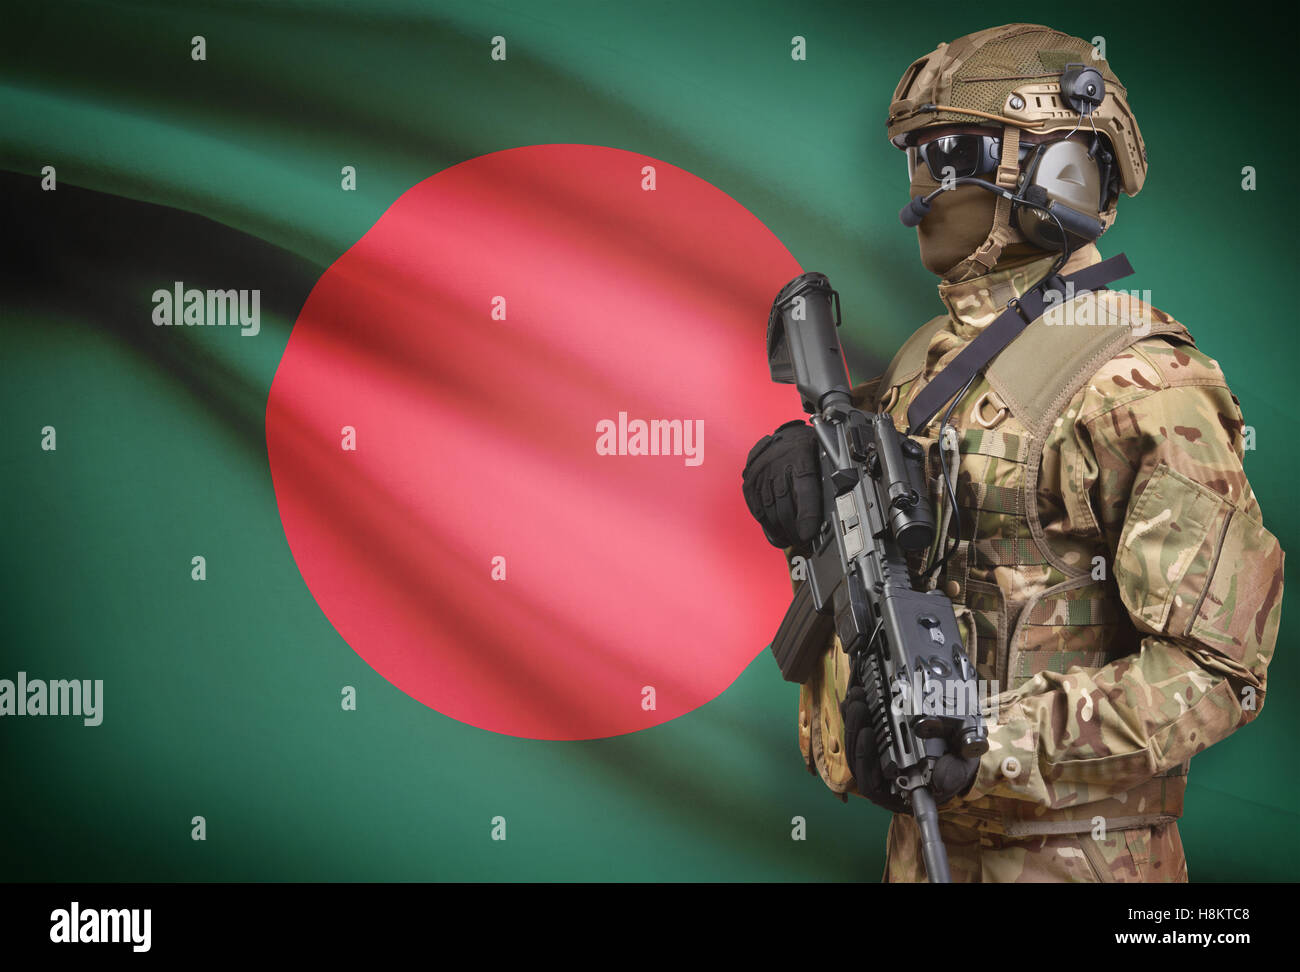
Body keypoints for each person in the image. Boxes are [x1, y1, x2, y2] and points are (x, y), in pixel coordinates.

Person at [741, 23, 1284, 882]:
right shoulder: (929, 358)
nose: (922, 189)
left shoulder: (1142, 381)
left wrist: (986, 739)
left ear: (1054, 170)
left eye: (948, 152)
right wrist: (805, 488)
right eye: (916, 157)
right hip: (922, 852)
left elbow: (1216, 671)